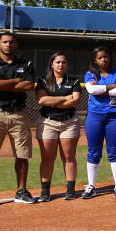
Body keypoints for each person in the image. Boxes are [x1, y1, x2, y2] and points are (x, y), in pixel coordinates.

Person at [0, 31, 36, 209]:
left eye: (11, 42)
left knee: (22, 154)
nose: (8, 45)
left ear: (16, 45)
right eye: (4, 42)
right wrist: (16, 81)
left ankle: (21, 191)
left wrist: (4, 83)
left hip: (19, 113)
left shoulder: (26, 63)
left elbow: (28, 85)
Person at [34, 51, 82, 202]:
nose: (61, 65)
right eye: (58, 62)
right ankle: (45, 191)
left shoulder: (74, 81)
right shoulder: (43, 81)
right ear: (52, 64)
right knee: (48, 157)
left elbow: (75, 102)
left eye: (64, 62)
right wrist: (64, 98)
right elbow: (41, 100)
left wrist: (53, 101)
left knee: (68, 157)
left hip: (69, 122)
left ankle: (70, 189)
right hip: (47, 122)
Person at [83, 46, 116, 199]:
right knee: (93, 152)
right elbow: (91, 91)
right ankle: (91, 186)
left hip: (114, 117)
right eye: (100, 57)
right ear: (95, 60)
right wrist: (109, 87)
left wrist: (101, 89)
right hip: (95, 117)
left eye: (106, 56)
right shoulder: (90, 74)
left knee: (114, 151)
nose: (103, 59)